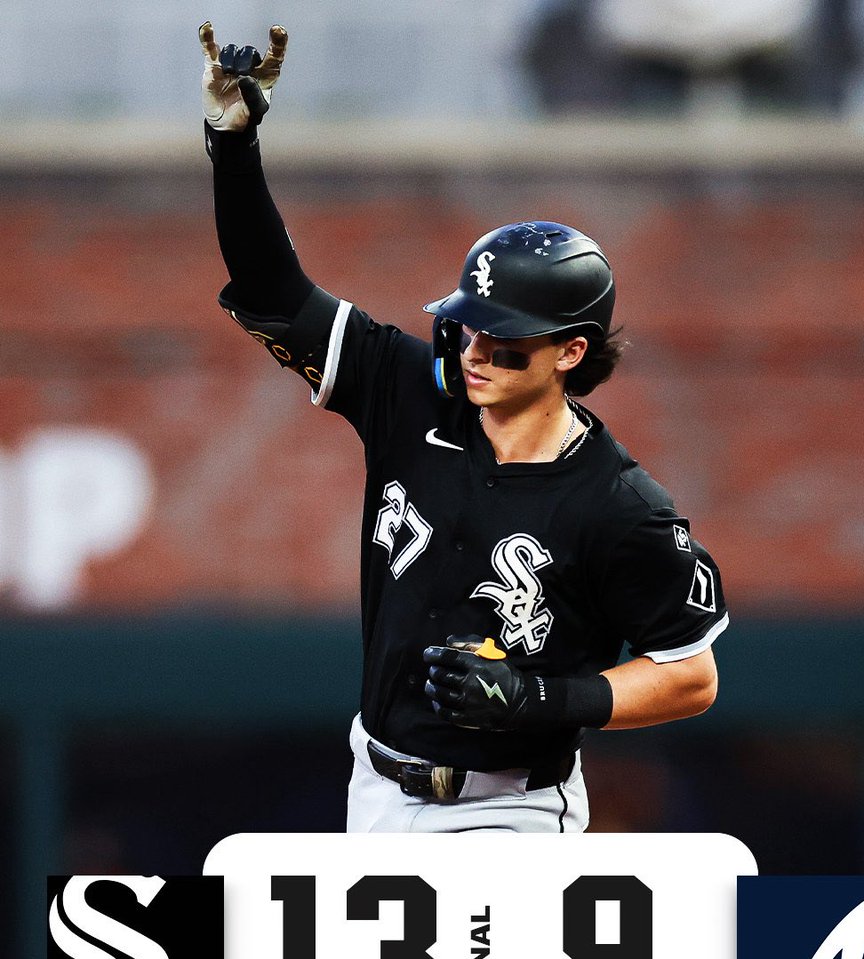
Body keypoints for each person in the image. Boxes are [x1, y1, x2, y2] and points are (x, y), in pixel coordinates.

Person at [200, 22, 729, 834]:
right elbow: (273, 292)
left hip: (509, 808)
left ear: (570, 351)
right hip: (374, 787)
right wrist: (233, 148)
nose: (475, 349)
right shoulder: (412, 393)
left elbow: (691, 676)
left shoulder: (619, 504)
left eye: (503, 336)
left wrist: (539, 700)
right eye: (469, 325)